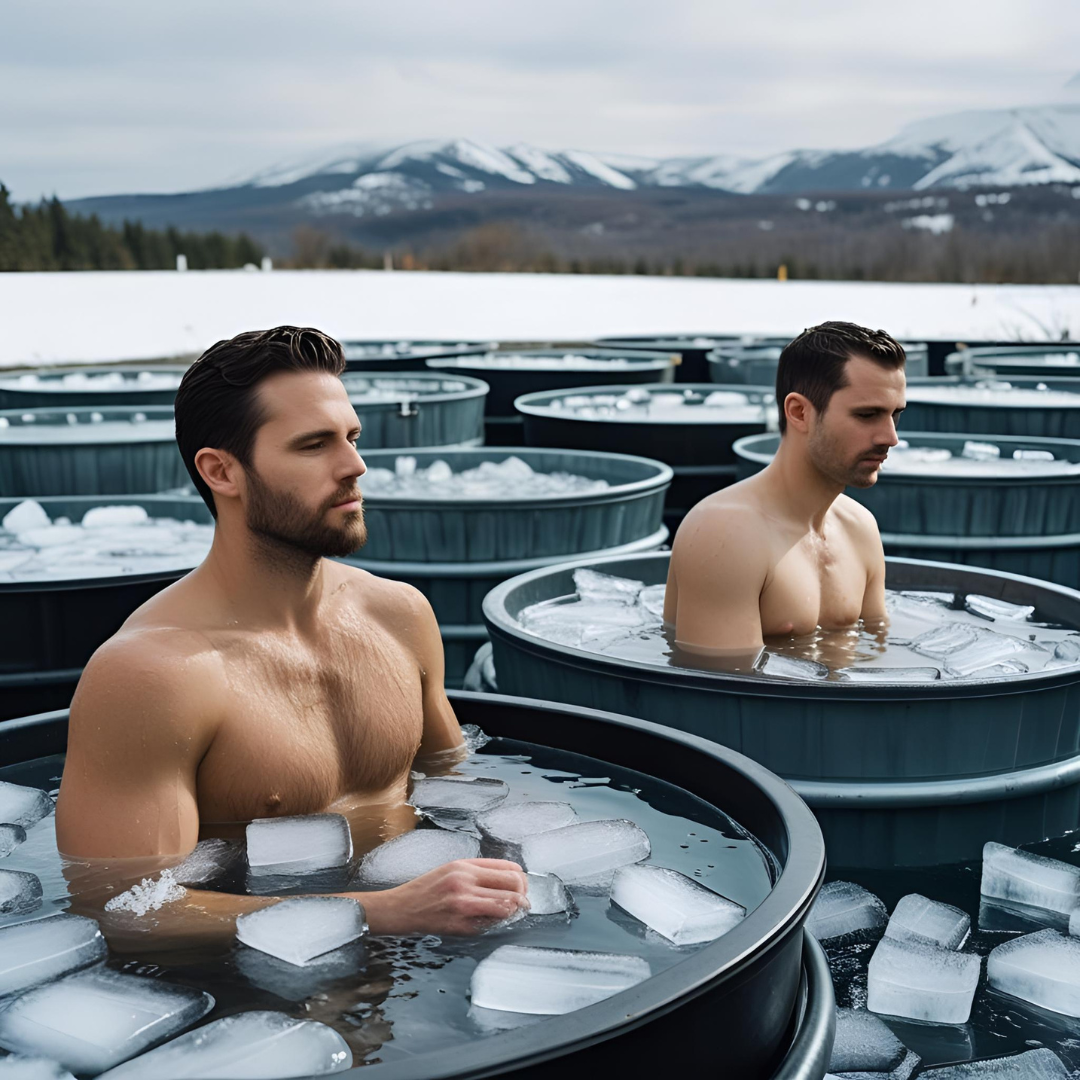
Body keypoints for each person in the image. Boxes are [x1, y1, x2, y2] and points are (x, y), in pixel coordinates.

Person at [56, 326, 528, 942]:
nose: (355, 466)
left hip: (416, 956)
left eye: (352, 438)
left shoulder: (399, 614)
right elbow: (120, 907)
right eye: (314, 445)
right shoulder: (153, 674)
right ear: (222, 471)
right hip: (244, 981)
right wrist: (381, 912)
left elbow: (451, 780)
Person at [663, 320, 906, 665]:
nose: (891, 437)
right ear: (799, 412)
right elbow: (722, 689)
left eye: (896, 415)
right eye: (867, 415)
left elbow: (876, 660)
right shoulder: (725, 533)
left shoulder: (860, 528)